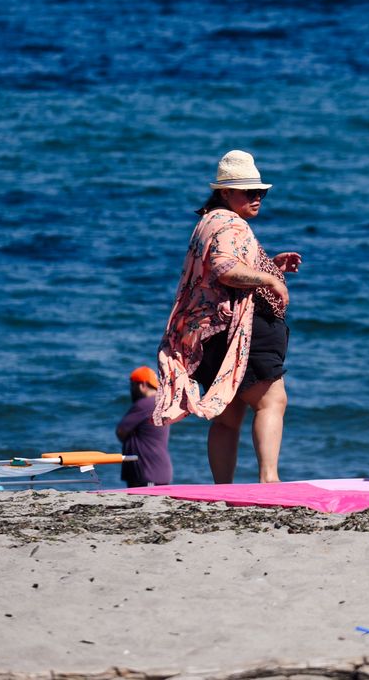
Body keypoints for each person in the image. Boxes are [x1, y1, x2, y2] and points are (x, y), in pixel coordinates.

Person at [152, 150, 302, 483]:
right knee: (272, 400)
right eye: (250, 191)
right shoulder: (229, 222)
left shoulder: (208, 222)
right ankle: (269, 479)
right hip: (238, 329)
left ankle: (223, 486)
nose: (257, 198)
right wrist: (268, 278)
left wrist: (269, 265)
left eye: (260, 192)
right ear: (225, 192)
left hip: (210, 331)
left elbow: (218, 268)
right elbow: (225, 270)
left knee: (228, 415)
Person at [117, 366, 173, 487]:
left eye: (132, 386)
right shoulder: (160, 403)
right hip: (159, 470)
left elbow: (121, 431)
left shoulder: (144, 404)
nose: (131, 390)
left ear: (142, 385)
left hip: (146, 471)